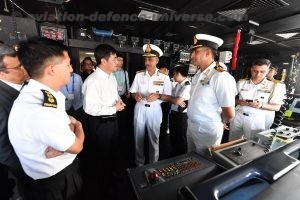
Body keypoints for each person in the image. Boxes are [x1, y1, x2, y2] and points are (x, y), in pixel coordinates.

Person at [8, 37, 84, 200]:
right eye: (67, 64)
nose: (71, 69)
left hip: (57, 176)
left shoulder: (46, 95)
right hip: (55, 184)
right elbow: (77, 146)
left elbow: (66, 127)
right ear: (51, 69)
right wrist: (78, 125)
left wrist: (65, 142)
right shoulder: (41, 109)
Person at [82, 44, 125, 199]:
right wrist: (114, 109)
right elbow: (90, 108)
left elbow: (114, 95)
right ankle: (104, 189)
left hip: (112, 120)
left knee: (112, 151)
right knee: (101, 156)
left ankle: (113, 180)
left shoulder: (111, 77)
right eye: (114, 58)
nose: (117, 62)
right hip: (100, 123)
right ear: (103, 60)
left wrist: (119, 101)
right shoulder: (92, 81)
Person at [187, 34, 237, 155]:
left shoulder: (220, 76)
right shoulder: (199, 74)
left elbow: (230, 113)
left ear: (208, 53)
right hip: (191, 125)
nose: (192, 55)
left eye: (196, 51)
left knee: (205, 164)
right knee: (191, 160)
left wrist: (220, 122)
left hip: (207, 130)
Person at [130, 43, 172, 166]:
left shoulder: (164, 77)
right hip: (140, 108)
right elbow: (132, 91)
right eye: (146, 59)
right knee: (138, 138)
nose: (147, 62)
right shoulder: (139, 75)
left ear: (157, 60)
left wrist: (158, 96)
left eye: (150, 59)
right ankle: (139, 164)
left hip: (155, 110)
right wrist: (135, 96)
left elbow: (168, 97)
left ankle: (153, 164)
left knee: (154, 139)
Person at [229, 58, 286, 141]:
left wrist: (261, 105)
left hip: (257, 118)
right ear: (251, 69)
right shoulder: (242, 83)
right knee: (232, 141)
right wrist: (239, 102)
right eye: (255, 71)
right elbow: (230, 99)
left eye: (262, 72)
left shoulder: (275, 86)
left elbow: (277, 107)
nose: (258, 74)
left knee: (253, 144)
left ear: (268, 71)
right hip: (238, 115)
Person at [0, 44, 28, 200]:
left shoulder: (25, 86)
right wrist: (31, 164)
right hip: (21, 170)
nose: (24, 69)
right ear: (2, 74)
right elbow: (3, 147)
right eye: (18, 67)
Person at [168, 64, 191, 156]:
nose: (173, 76)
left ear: (179, 74)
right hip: (174, 112)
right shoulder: (178, 84)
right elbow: (173, 98)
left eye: (174, 74)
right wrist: (174, 100)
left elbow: (177, 100)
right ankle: (174, 153)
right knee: (173, 134)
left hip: (181, 115)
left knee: (181, 136)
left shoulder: (187, 85)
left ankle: (181, 156)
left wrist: (174, 100)